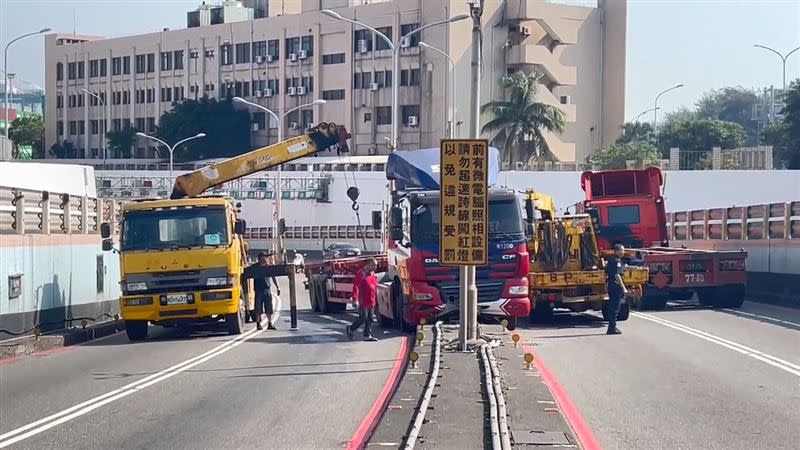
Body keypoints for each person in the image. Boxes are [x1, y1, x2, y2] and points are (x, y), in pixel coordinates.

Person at [243, 250, 281, 330]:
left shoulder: (268, 267)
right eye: (265, 257)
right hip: (258, 290)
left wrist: (278, 287)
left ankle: (269, 324)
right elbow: (246, 272)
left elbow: (274, 277)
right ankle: (258, 324)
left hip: (267, 289)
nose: (266, 259)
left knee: (269, 308)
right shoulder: (255, 267)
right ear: (260, 258)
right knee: (258, 308)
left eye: (266, 257)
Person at [346, 258, 379, 342]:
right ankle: (350, 328)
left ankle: (367, 335)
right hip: (363, 300)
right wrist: (355, 299)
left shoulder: (372, 273)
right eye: (373, 265)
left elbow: (374, 285)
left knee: (370, 318)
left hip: (371, 299)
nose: (375, 267)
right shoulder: (361, 273)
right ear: (367, 264)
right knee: (363, 317)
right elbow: (356, 286)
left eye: (376, 265)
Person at [605, 243, 628, 335]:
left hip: (611, 285)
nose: (623, 252)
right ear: (617, 251)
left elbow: (606, 273)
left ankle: (612, 327)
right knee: (615, 307)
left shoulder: (611, 260)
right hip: (615, 286)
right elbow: (617, 275)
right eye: (622, 250)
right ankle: (612, 328)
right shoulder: (617, 261)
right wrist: (624, 288)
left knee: (612, 306)